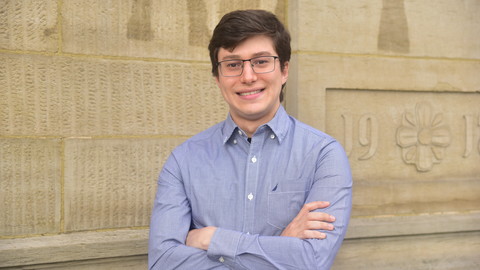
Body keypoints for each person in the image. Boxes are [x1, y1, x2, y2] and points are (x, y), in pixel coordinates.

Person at [149, 9, 352, 270]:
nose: (247, 76)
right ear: (218, 79)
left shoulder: (323, 155)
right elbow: (164, 263)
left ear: (285, 70)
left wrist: (213, 239)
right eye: (233, 65)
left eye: (261, 61)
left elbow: (311, 260)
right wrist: (282, 244)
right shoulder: (184, 160)